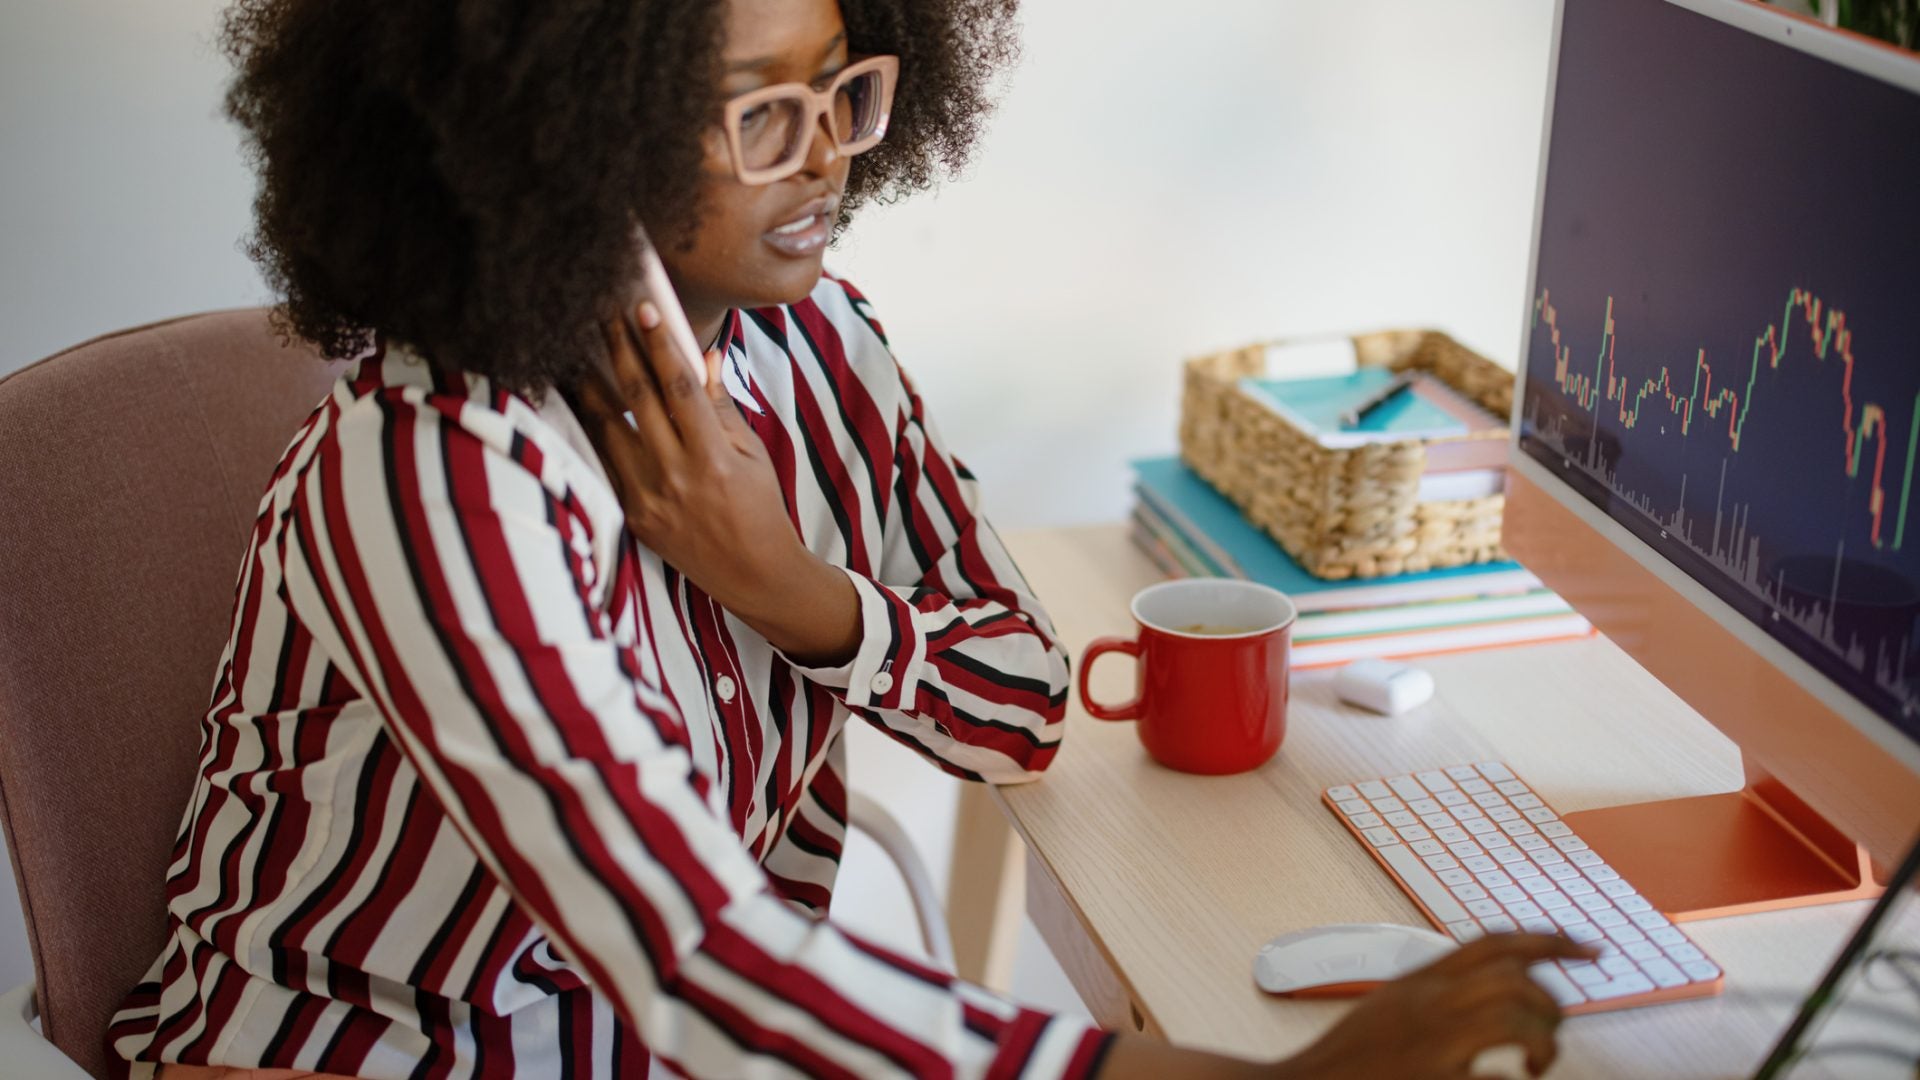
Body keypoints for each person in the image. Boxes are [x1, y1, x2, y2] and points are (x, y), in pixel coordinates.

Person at [108, 0, 1590, 1076]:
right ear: (563, 135)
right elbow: (690, 948)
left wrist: (790, 588)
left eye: (844, 88)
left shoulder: (814, 346)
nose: (826, 160)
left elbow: (1021, 702)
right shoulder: (432, 472)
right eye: (761, 113)